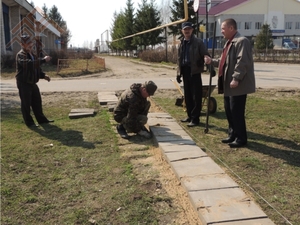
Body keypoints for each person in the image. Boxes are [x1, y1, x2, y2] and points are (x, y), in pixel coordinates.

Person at [206, 18, 256, 148]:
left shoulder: (241, 41)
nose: (221, 31)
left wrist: (236, 78)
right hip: (229, 85)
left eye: (223, 28)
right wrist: (212, 61)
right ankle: (232, 134)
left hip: (237, 85)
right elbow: (224, 63)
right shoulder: (229, 43)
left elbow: (243, 62)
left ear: (231, 28)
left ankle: (241, 139)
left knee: (236, 111)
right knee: (229, 110)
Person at [176, 22, 211, 127]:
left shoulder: (198, 42)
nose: (187, 31)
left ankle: (195, 119)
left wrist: (210, 68)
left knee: (196, 96)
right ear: (182, 31)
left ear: (192, 30)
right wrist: (178, 73)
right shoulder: (181, 43)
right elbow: (179, 60)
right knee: (188, 96)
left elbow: (206, 55)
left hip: (195, 71)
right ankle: (190, 116)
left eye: (189, 29)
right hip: (185, 71)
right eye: (185, 29)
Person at [16, 35, 53, 127]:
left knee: (37, 102)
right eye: (27, 43)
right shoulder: (21, 55)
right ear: (22, 44)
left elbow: (36, 68)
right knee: (26, 103)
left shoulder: (33, 54)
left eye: (30, 43)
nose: (30, 45)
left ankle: (42, 120)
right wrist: (43, 60)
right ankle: (29, 123)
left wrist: (43, 75)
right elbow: (29, 64)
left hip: (32, 82)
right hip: (24, 83)